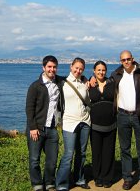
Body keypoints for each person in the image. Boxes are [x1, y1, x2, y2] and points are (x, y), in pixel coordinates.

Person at [111, 50, 140, 191]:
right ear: (121, 61)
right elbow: (106, 85)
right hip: (122, 116)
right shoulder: (116, 75)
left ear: (132, 59)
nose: (126, 62)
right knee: (125, 149)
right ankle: (127, 178)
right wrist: (90, 80)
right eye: (123, 60)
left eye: (128, 59)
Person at [26, 55, 64, 191]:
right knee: (34, 159)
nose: (52, 69)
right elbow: (29, 108)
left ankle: (49, 182)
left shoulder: (60, 82)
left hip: (52, 128)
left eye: (54, 67)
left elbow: (73, 79)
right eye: (49, 67)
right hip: (37, 128)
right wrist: (33, 127)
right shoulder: (35, 86)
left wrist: (87, 79)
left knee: (52, 160)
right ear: (43, 68)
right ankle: (37, 183)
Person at [56, 57, 91, 191]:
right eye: (76, 68)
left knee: (81, 153)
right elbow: (48, 75)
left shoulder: (84, 82)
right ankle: (61, 184)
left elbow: (88, 100)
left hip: (85, 121)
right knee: (68, 154)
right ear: (71, 67)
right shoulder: (62, 82)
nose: (78, 70)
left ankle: (79, 179)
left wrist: (88, 79)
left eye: (81, 69)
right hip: (69, 122)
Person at [89, 60, 117, 188]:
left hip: (111, 124)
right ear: (94, 71)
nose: (101, 72)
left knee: (109, 152)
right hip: (94, 125)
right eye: (98, 70)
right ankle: (98, 177)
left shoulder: (112, 83)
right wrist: (88, 78)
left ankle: (107, 177)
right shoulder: (89, 84)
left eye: (103, 70)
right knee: (97, 153)